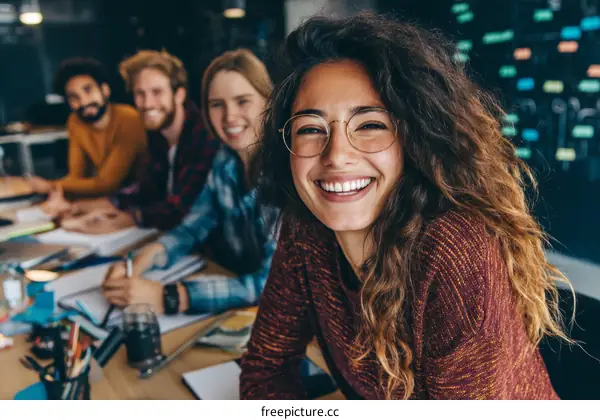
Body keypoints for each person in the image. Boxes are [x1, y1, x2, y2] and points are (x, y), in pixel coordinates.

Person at [240, 13, 571, 399]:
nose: (337, 156)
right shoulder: (305, 228)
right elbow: (265, 369)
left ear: (411, 141)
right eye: (311, 129)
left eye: (370, 125)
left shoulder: (454, 250)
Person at [102, 49, 278, 315]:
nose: (229, 116)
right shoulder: (224, 160)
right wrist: (140, 261)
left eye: (242, 101)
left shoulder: (287, 173)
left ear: (268, 102)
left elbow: (273, 284)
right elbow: (192, 227)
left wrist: (170, 297)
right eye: (217, 104)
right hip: (241, 311)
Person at [62, 50, 220, 233]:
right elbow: (146, 191)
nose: (147, 103)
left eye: (157, 92)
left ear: (179, 95)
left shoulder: (203, 136)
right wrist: (90, 206)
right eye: (140, 93)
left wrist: (125, 220)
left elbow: (180, 208)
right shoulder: (156, 135)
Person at [27, 57, 147, 215]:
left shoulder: (128, 119)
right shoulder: (75, 122)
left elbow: (107, 183)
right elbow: (76, 176)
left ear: (105, 90)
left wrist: (50, 185)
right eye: (73, 97)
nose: (83, 102)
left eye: (88, 90)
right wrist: (58, 194)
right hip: (106, 202)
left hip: (141, 203)